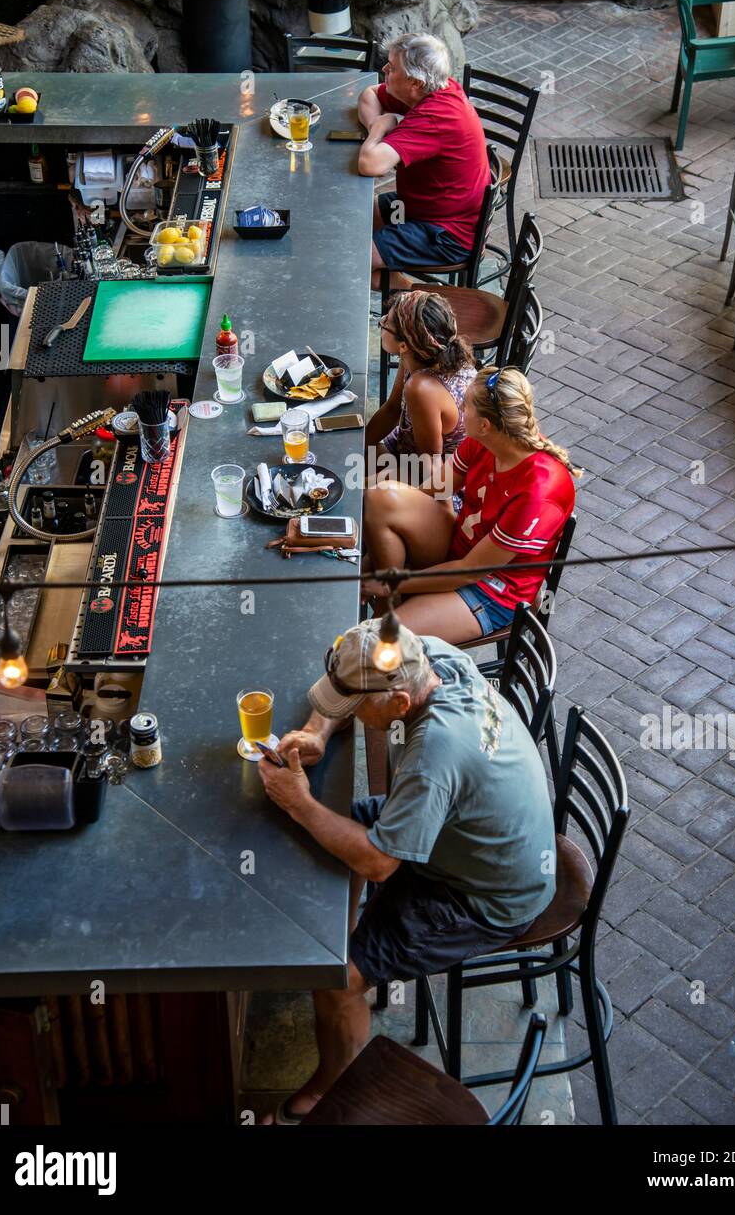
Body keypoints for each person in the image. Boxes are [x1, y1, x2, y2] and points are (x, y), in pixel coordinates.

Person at [257, 619, 557, 1124]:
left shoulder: (433, 757)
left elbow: (377, 863)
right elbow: (350, 690)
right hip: (464, 834)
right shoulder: (430, 655)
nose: (345, 712)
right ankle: (348, 935)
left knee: (338, 980)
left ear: (398, 705)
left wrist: (299, 803)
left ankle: (329, 1090)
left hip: (485, 896)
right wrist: (317, 730)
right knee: (340, 832)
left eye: (353, 708)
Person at [362, 367, 581, 643]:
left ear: (486, 424)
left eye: (464, 404)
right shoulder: (487, 439)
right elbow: (431, 490)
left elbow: (468, 571)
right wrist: (370, 561)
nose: (459, 408)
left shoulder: (538, 492)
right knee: (381, 497)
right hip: (459, 550)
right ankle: (387, 604)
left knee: (379, 639)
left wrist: (392, 581)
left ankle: (388, 623)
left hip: (491, 590)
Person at [357, 33, 491, 275]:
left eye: (393, 67)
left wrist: (379, 129)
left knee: (351, 257)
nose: (385, 69)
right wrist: (377, 123)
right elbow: (369, 94)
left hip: (447, 234)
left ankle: (417, 298)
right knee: (355, 213)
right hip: (416, 206)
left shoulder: (435, 118)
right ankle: (406, 295)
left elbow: (369, 164)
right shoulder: (435, 89)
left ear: (415, 82)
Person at [365, 288, 477, 489]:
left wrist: (372, 484)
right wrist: (359, 445)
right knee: (348, 458)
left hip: (441, 484)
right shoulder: (419, 354)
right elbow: (392, 409)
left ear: (403, 345)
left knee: (358, 492)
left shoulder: (421, 389)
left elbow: (429, 468)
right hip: (406, 452)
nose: (381, 323)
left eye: (386, 323)